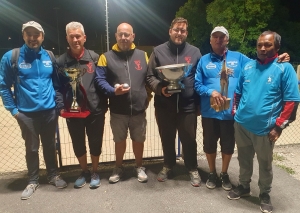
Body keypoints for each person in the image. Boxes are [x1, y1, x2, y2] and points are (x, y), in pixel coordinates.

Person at [194, 26, 290, 191]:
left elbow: (260, 64)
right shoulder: (203, 60)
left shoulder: (239, 58)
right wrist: (210, 91)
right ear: (210, 40)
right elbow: (197, 84)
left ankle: (224, 173)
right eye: (215, 37)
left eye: (222, 37)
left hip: (230, 115)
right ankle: (212, 172)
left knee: (228, 145)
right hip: (210, 112)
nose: (218, 40)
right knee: (209, 145)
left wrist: (278, 58)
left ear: (227, 40)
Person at [227, 31, 299, 213]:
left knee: (265, 164)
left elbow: (292, 101)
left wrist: (279, 127)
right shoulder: (249, 67)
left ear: (277, 47)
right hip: (242, 125)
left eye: (267, 44)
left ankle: (264, 194)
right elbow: (237, 93)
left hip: (265, 130)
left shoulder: (285, 68)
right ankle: (244, 186)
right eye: (260, 45)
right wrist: (236, 114)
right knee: (244, 159)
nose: (262, 48)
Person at [0, 21, 67, 200]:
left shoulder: (49, 56)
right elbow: (4, 86)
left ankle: (53, 175)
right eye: (28, 34)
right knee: (31, 148)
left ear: (42, 37)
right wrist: (13, 110)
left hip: (49, 111)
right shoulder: (12, 57)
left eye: (36, 34)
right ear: (23, 36)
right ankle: (33, 180)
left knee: (50, 146)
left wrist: (57, 104)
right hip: (26, 113)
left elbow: (56, 82)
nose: (32, 38)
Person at [146, 17, 202, 187]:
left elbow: (200, 78)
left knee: (189, 139)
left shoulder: (195, 52)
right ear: (170, 31)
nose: (179, 33)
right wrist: (159, 88)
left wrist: (198, 104)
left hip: (188, 106)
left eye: (183, 30)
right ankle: (168, 164)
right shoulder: (158, 51)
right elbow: (149, 77)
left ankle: (192, 167)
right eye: (177, 29)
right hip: (164, 106)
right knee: (167, 138)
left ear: (186, 33)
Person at [95, 23, 151, 183]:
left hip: (139, 110)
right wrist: (113, 91)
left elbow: (149, 78)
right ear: (116, 36)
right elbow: (99, 80)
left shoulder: (143, 55)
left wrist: (148, 97)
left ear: (133, 36)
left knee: (138, 140)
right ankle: (118, 167)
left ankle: (139, 166)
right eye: (121, 34)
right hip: (118, 110)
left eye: (127, 34)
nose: (124, 37)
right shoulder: (106, 57)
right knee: (119, 140)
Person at [56, 22, 108, 189]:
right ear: (67, 38)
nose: (75, 39)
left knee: (95, 141)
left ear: (84, 38)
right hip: (72, 112)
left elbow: (101, 82)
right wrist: (60, 106)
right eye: (72, 36)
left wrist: (104, 104)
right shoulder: (61, 61)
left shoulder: (94, 57)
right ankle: (84, 171)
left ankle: (94, 171)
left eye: (78, 36)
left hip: (94, 110)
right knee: (77, 142)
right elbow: (57, 87)